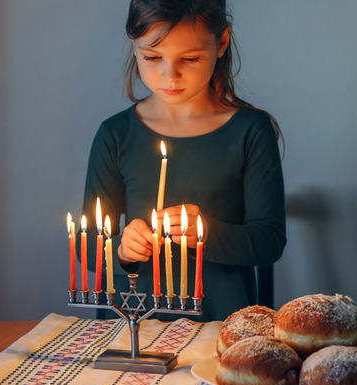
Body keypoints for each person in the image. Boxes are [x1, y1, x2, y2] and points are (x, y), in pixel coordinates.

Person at [80, 0, 285, 321]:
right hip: (135, 324)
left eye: (189, 58)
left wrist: (206, 234)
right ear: (134, 46)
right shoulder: (115, 135)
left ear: (222, 42)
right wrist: (121, 248)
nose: (169, 75)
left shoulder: (251, 131)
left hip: (222, 323)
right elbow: (89, 247)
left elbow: (269, 242)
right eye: (152, 57)